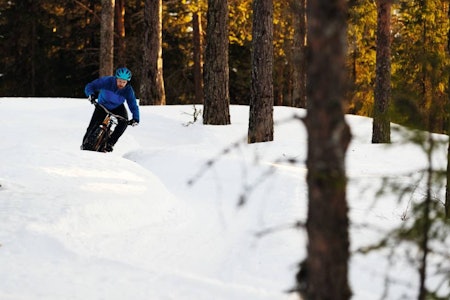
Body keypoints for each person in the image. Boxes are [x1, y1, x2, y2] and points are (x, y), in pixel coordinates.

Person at [81, 67, 140, 152]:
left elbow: (133, 104)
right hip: (103, 105)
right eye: (119, 81)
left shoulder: (128, 90)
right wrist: (91, 94)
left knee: (124, 122)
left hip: (117, 107)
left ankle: (110, 143)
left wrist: (136, 118)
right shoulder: (107, 81)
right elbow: (90, 86)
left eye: (124, 82)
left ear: (127, 82)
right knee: (92, 126)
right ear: (116, 78)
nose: (121, 84)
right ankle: (84, 145)